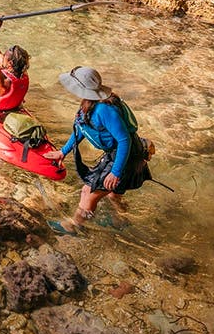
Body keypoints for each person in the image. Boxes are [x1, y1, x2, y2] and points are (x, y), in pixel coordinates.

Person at [47, 66, 152, 235]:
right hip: (116, 154)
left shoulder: (104, 110)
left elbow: (124, 140)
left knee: (88, 192)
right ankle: (122, 221)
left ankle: (74, 227)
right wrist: (63, 152)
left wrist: (116, 172)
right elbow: (81, 129)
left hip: (126, 155)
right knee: (113, 195)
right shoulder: (88, 105)